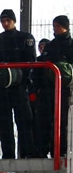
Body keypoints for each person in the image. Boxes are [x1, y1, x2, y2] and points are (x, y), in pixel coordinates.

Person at [0, 9, 37, 159]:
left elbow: (31, 61)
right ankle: (8, 154)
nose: (5, 24)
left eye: (8, 20)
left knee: (24, 120)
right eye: (3, 21)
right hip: (0, 88)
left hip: (19, 86)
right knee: (3, 122)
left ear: (14, 21)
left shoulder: (25, 38)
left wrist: (22, 79)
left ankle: (28, 152)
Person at [34, 15, 73, 158]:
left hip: (65, 89)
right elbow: (41, 65)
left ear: (65, 26)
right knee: (44, 119)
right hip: (47, 89)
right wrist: (37, 87)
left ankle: (61, 150)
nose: (55, 29)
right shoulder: (50, 45)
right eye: (54, 26)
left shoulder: (70, 45)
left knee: (63, 120)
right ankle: (43, 150)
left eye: (57, 26)